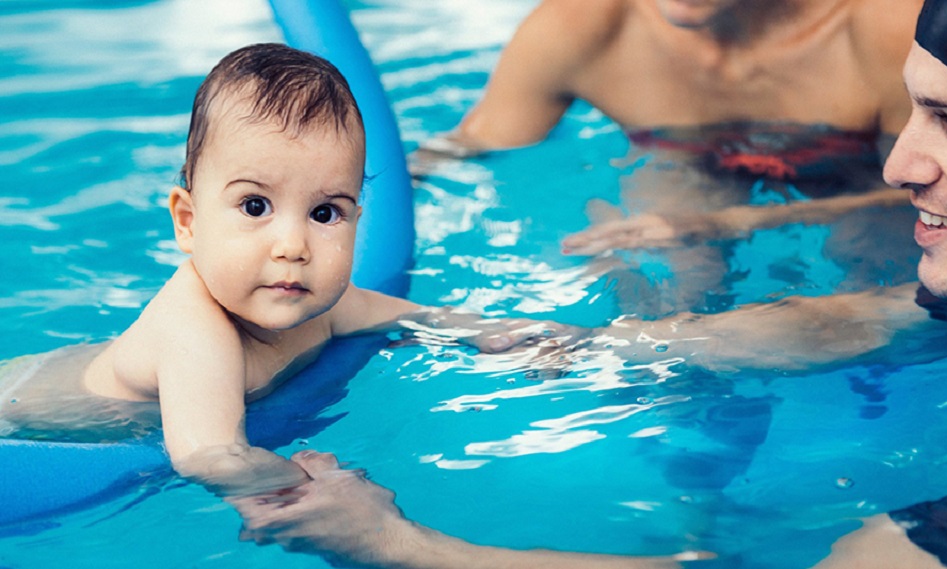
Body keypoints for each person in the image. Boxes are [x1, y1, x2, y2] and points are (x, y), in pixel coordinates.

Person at [235, 0, 947, 566]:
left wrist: (393, 542)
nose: (903, 164)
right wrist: (592, 346)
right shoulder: (582, 27)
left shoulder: (874, 28)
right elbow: (879, 316)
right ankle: (697, 485)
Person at [0, 43, 582, 498]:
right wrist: (303, 487)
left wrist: (502, 336)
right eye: (255, 207)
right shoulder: (195, 330)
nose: (294, 245)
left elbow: (422, 317)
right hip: (29, 407)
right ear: (188, 221)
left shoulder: (319, 304)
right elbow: (207, 456)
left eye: (325, 212)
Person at [416, 0, 923, 255]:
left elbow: (939, 199)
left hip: (864, 183)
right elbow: (463, 150)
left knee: (868, 272)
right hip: (683, 162)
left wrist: (732, 223)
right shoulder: (585, 25)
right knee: (658, 274)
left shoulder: (884, 26)